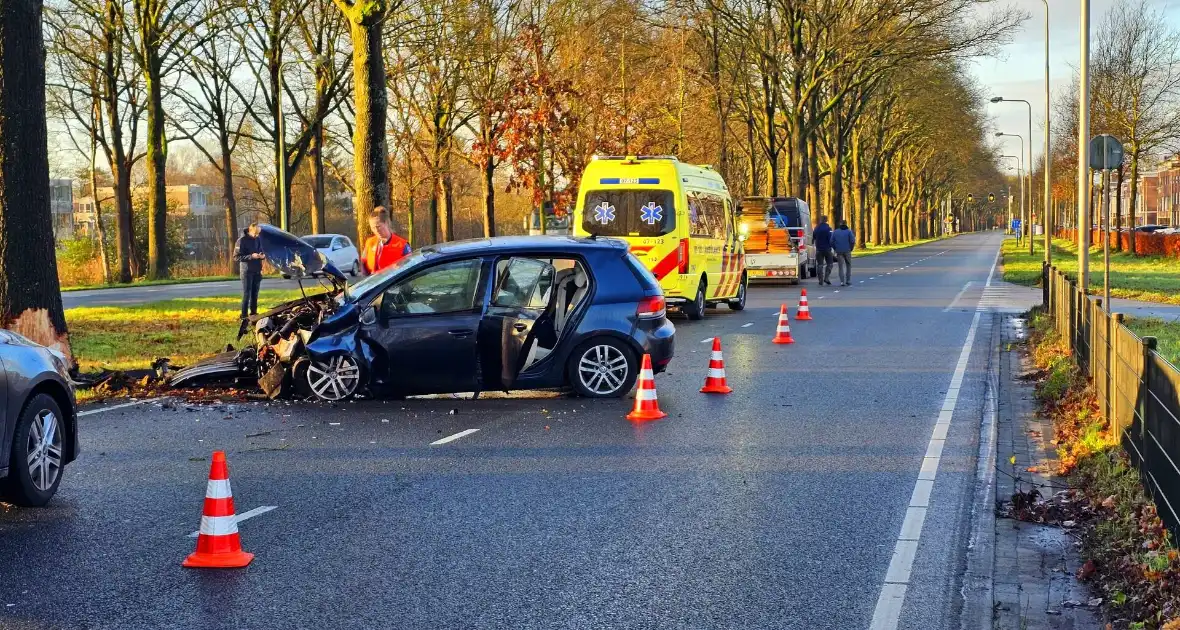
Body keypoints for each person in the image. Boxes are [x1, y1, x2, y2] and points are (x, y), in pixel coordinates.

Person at [362, 206, 411, 275]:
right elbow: (364, 264)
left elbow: (410, 267)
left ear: (386, 223)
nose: (376, 230)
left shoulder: (402, 245)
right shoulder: (370, 242)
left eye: (378, 226)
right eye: (373, 228)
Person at [233, 223, 265, 320]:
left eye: (258, 234)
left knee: (255, 293)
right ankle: (244, 315)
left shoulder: (258, 239)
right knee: (247, 293)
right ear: (250, 231)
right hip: (246, 271)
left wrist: (262, 255)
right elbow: (236, 257)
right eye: (255, 234)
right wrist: (251, 256)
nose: (256, 236)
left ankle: (254, 313)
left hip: (257, 270)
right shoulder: (241, 241)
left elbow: (261, 250)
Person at [832, 221, 855, 286]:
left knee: (840, 266)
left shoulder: (835, 232)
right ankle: (848, 280)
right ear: (846, 224)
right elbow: (852, 241)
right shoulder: (849, 231)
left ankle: (842, 281)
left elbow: (831, 241)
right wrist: (851, 248)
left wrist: (835, 248)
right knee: (848, 265)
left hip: (839, 251)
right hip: (847, 250)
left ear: (840, 224)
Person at [812, 215, 834, 285]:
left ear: (821, 220)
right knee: (830, 264)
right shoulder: (828, 228)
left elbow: (814, 236)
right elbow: (831, 239)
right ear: (826, 220)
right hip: (827, 249)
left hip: (819, 249)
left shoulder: (816, 228)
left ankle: (820, 280)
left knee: (820, 265)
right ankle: (826, 278)